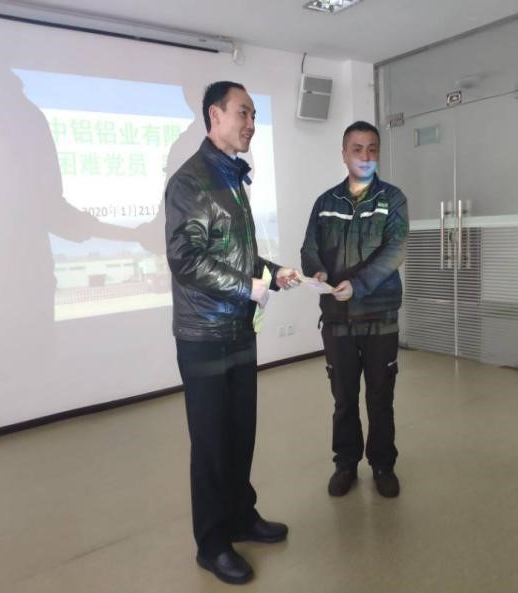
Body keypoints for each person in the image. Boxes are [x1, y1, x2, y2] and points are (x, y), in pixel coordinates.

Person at [165, 81, 300, 585]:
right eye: (243, 113)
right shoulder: (190, 181)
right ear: (214, 116)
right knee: (211, 444)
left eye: (254, 115)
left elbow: (237, 256)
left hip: (240, 329)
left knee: (241, 434)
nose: (251, 124)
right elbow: (186, 259)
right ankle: (212, 543)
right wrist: (250, 286)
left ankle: (241, 516)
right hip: (202, 334)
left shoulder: (231, 177)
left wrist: (274, 273)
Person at [300, 121, 409, 498]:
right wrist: (316, 271)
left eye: (372, 148)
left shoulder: (392, 199)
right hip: (337, 318)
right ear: (344, 154)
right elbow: (309, 248)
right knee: (344, 399)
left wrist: (359, 286)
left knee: (380, 397)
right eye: (357, 148)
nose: (365, 156)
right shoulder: (325, 203)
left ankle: (382, 465)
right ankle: (345, 463)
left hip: (380, 316)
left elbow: (395, 250)